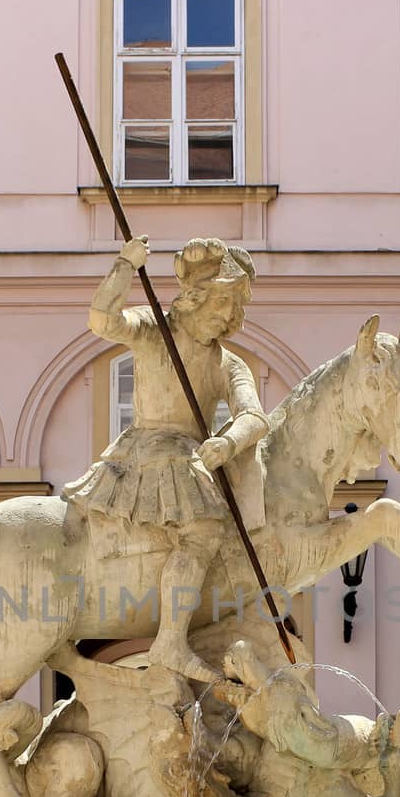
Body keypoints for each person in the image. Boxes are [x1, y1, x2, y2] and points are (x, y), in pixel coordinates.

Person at [63, 235, 269, 682]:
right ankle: (171, 642)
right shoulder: (154, 330)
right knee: (204, 528)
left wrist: (228, 443)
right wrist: (124, 265)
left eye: (236, 308)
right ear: (198, 297)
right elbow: (102, 320)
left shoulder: (227, 363)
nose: (230, 317)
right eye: (223, 303)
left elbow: (254, 415)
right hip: (151, 449)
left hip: (195, 454)